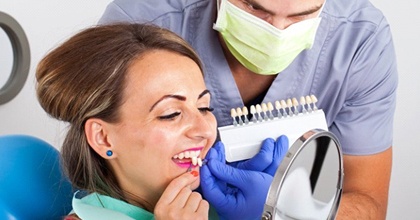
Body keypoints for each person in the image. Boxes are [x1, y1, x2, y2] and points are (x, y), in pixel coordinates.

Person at [99, 0, 398, 219]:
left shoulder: (360, 40)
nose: (277, 32)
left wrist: (285, 208)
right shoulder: (142, 21)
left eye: (302, 16)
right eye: (255, 9)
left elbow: (368, 203)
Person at [35, 23, 287, 219]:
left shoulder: (211, 208)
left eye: (204, 107)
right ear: (103, 137)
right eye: (170, 114)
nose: (204, 130)